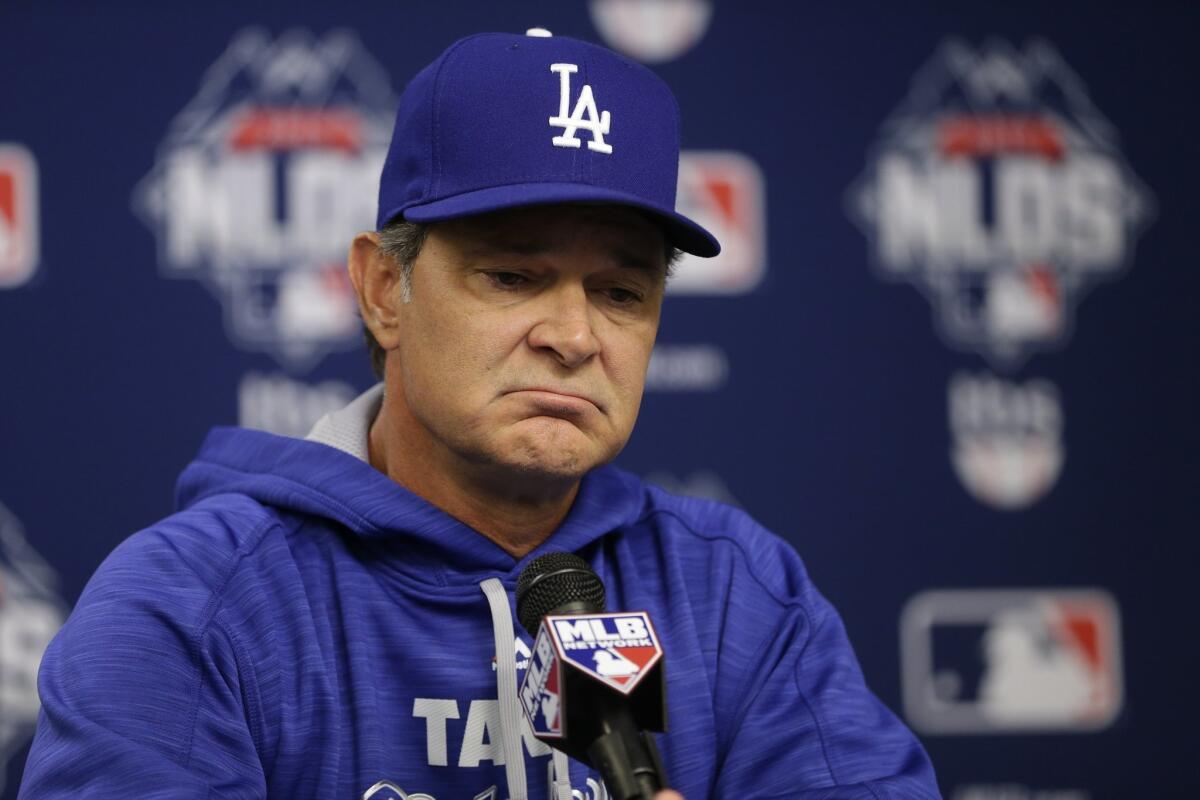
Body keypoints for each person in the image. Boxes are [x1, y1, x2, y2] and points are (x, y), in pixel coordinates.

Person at [19, 30, 940, 800]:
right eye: (512, 276)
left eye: (620, 291)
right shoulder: (193, 606)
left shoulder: (738, 595)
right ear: (385, 288)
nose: (575, 335)